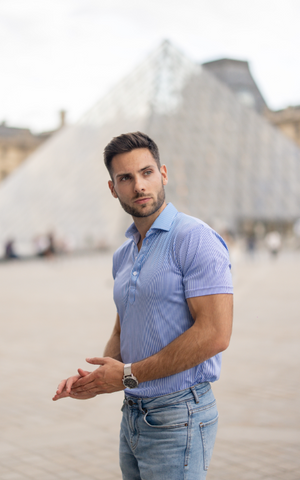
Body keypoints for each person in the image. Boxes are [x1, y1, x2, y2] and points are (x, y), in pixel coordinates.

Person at [53, 132, 233, 480]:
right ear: (112, 188)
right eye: (126, 178)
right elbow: (125, 326)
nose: (139, 186)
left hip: (178, 413)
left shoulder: (195, 239)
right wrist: (97, 380)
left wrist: (127, 375)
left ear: (163, 173)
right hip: (134, 413)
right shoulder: (123, 254)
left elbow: (215, 334)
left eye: (146, 172)